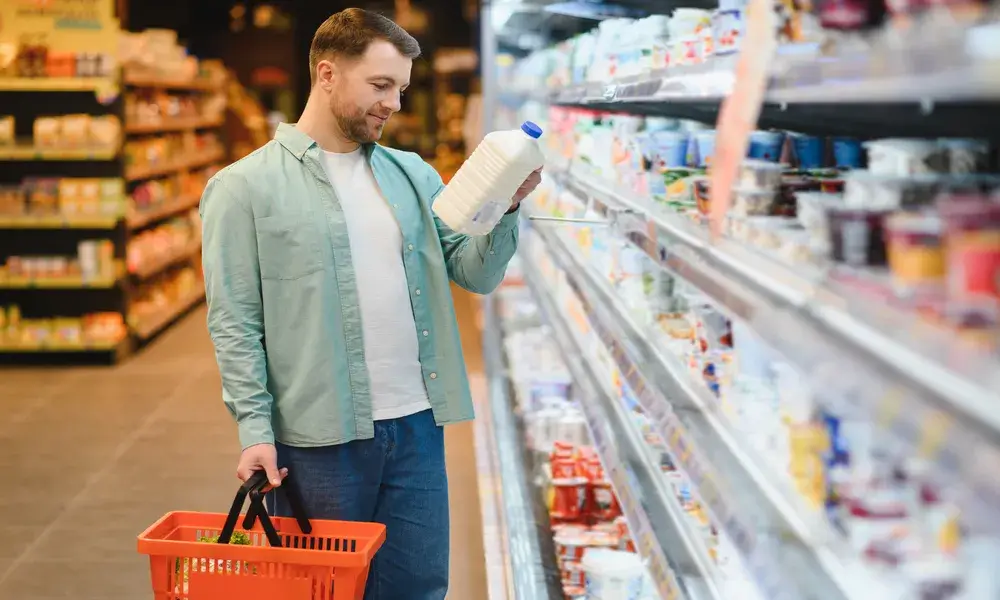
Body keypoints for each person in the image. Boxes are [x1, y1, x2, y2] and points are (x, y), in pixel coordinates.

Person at [199, 7, 541, 600]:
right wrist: (254, 428)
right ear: (327, 74)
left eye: (401, 89)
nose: (394, 104)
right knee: (325, 592)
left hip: (417, 426)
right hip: (318, 440)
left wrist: (504, 207)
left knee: (417, 588)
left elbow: (474, 273)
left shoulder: (412, 175)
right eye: (380, 85)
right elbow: (235, 322)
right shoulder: (242, 188)